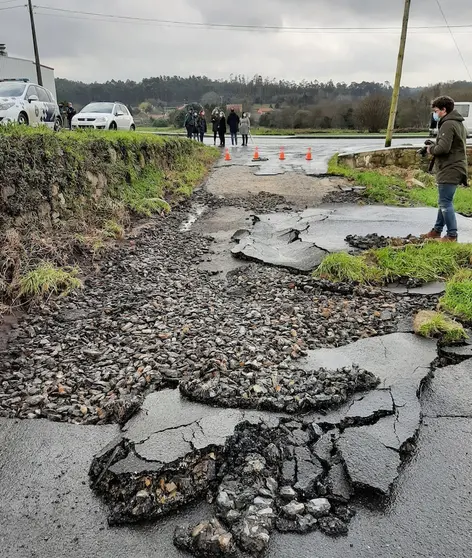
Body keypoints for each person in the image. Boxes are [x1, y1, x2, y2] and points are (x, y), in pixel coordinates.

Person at [421, 96, 468, 242]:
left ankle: (452, 235)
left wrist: (430, 149)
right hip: (456, 165)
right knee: (444, 200)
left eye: (436, 111)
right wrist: (435, 143)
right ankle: (437, 230)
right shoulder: (458, 123)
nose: (435, 114)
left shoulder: (447, 124)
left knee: (445, 202)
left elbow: (443, 148)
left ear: (444, 110)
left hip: (450, 167)